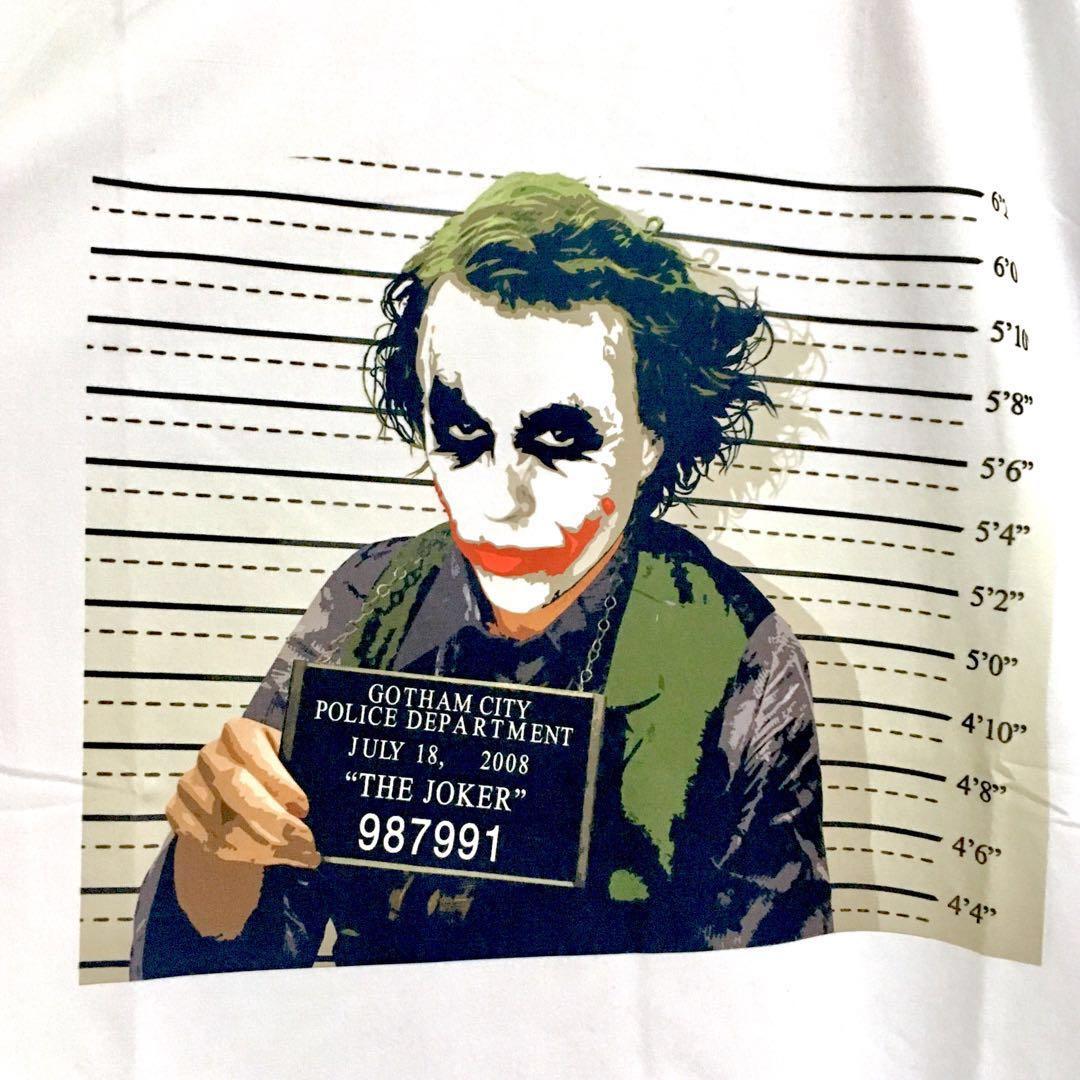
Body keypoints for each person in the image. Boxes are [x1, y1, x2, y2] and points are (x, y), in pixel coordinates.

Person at [131, 173, 832, 978]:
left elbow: (771, 996)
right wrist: (218, 857)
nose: (500, 501)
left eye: (560, 442)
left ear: (653, 437)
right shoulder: (369, 602)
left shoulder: (736, 655)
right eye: (462, 435)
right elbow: (202, 979)